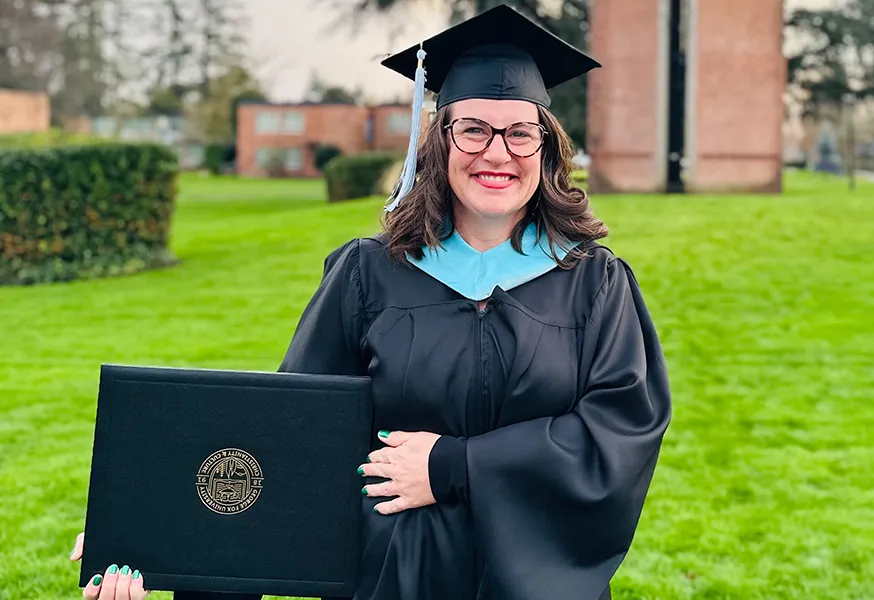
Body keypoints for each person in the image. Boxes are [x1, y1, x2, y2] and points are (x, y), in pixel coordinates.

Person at [69, 4, 672, 599]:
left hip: (533, 582)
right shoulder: (369, 274)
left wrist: (453, 466)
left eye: (520, 132)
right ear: (438, 141)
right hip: (392, 576)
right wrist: (155, 539)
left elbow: (618, 434)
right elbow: (290, 438)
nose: (497, 153)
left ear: (546, 147)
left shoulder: (595, 283)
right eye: (474, 129)